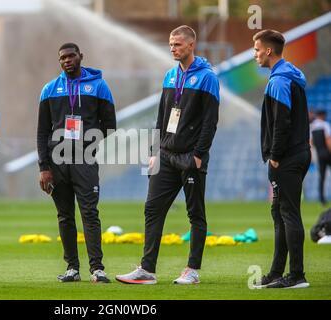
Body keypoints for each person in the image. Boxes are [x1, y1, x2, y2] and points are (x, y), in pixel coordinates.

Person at [115, 25, 219, 285]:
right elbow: (161, 117)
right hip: (166, 155)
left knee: (195, 214)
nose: (173, 48)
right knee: (152, 208)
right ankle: (147, 270)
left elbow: (210, 121)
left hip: (190, 157)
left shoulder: (207, 77)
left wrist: (199, 154)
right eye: (171, 44)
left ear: (191, 45)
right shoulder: (169, 76)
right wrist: (155, 151)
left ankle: (192, 270)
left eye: (178, 44)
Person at [37, 43, 116, 283]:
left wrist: (89, 144)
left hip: (84, 159)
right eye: (62, 58)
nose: (66, 61)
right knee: (65, 216)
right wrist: (44, 167)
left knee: (90, 213)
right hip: (57, 162)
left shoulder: (99, 86)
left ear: (81, 56)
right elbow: (42, 132)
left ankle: (97, 269)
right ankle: (72, 268)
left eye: (71, 56)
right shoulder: (49, 89)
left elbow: (110, 125)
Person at [253, 29, 311, 289]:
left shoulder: (278, 81)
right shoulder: (291, 75)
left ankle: (297, 275)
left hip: (286, 158)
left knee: (288, 213)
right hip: (297, 153)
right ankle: (277, 272)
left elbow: (281, 123)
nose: (255, 54)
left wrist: (275, 156)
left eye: (256, 50)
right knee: (280, 213)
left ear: (268, 50)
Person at [310, 110, 331, 205]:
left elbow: (311, 142)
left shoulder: (312, 127)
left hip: (319, 154)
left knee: (322, 177)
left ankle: (322, 199)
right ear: (323, 115)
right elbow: (328, 140)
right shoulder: (325, 125)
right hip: (327, 153)